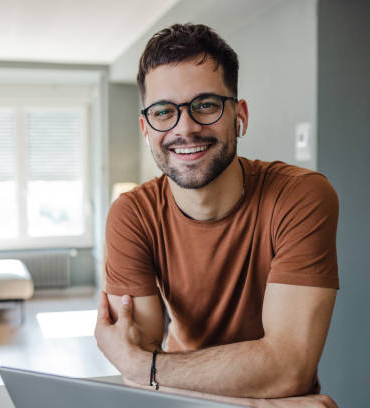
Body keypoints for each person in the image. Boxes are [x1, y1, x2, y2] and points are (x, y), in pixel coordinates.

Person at [94, 23, 339, 407]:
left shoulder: (300, 196)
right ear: (146, 128)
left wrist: (151, 370)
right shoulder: (131, 215)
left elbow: (289, 367)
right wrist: (262, 403)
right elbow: (132, 364)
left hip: (174, 388)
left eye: (205, 105)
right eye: (163, 111)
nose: (185, 128)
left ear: (238, 115)